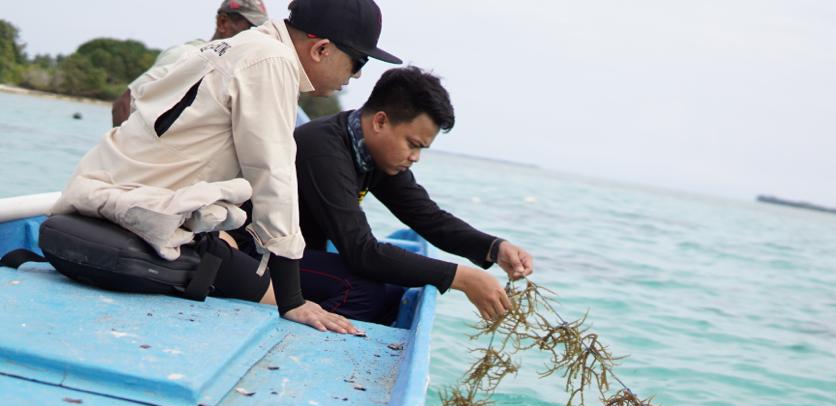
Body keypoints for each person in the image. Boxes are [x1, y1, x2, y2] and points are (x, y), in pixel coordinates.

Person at [51, 0, 402, 334]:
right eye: (359, 62)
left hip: (97, 202)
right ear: (321, 48)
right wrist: (292, 300)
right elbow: (273, 175)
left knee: (239, 254)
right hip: (140, 225)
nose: (355, 76)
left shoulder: (234, 47)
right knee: (334, 299)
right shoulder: (273, 61)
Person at [272, 66, 533, 324]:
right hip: (261, 255)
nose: (415, 157)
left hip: (300, 255)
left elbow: (429, 218)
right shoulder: (323, 149)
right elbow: (361, 252)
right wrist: (461, 278)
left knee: (393, 292)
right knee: (363, 290)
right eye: (413, 144)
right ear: (380, 121)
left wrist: (495, 248)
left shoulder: (375, 155)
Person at [112, 0, 270, 127]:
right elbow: (123, 105)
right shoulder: (186, 54)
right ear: (222, 22)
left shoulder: (230, 71)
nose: (255, 38)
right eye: (251, 28)